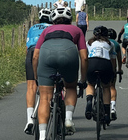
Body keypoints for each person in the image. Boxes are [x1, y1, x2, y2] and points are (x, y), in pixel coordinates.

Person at [32, 7, 88, 139]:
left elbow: (35, 56)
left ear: (53, 20)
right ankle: (68, 119)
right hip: (69, 53)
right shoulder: (77, 30)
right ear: (70, 19)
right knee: (70, 87)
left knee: (45, 98)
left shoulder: (46, 30)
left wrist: (36, 77)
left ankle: (42, 135)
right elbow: (84, 57)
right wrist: (83, 79)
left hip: (46, 54)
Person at [24, 8, 53, 135]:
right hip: (47, 51)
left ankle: (29, 119)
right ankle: (49, 107)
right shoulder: (52, 27)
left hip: (32, 52)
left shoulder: (32, 28)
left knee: (31, 86)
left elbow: (27, 47)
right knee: (50, 85)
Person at [84, 26, 115, 124]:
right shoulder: (110, 43)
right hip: (105, 64)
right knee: (106, 87)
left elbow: (85, 57)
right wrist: (113, 72)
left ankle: (89, 101)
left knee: (90, 84)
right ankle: (106, 113)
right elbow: (113, 60)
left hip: (92, 63)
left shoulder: (88, 43)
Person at [107, 28, 122, 120]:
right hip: (111, 69)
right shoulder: (115, 44)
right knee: (111, 87)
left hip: (96, 67)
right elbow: (119, 59)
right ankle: (112, 108)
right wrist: (119, 69)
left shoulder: (102, 42)